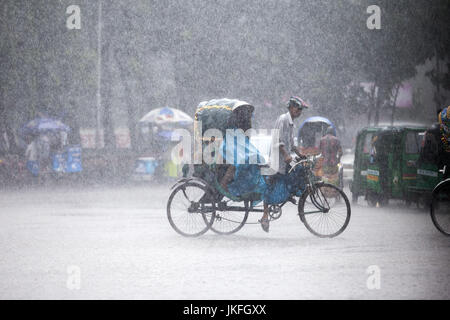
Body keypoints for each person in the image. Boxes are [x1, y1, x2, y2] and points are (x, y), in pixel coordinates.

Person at [259, 96, 309, 232]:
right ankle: (264, 216)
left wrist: (299, 154)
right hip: (277, 160)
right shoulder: (283, 120)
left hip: (284, 160)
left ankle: (288, 194)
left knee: (297, 173)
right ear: (292, 108)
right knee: (270, 186)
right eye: (298, 109)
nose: (299, 112)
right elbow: (279, 141)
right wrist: (286, 155)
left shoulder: (291, 123)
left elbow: (291, 144)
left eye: (301, 110)